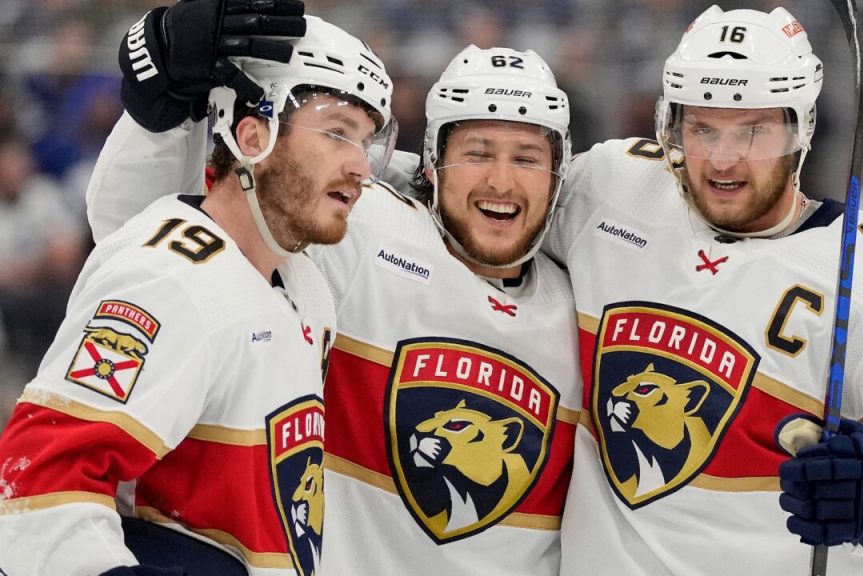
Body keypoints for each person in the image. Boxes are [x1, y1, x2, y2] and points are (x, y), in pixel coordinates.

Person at [85, 9, 581, 575]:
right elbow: (143, 226)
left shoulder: (589, 301)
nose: (500, 180)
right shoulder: (359, 232)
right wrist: (162, 108)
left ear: (560, 175)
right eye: (477, 151)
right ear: (432, 164)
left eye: (528, 158)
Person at [542, 5, 863, 576]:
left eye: (753, 131)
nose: (722, 158)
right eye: (702, 128)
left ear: (802, 129)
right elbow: (473, 206)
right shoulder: (610, 189)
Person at [0, 3, 396, 575]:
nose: (361, 165)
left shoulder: (301, 282)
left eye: (365, 141)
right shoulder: (172, 280)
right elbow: (36, 480)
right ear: (252, 133)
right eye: (337, 132)